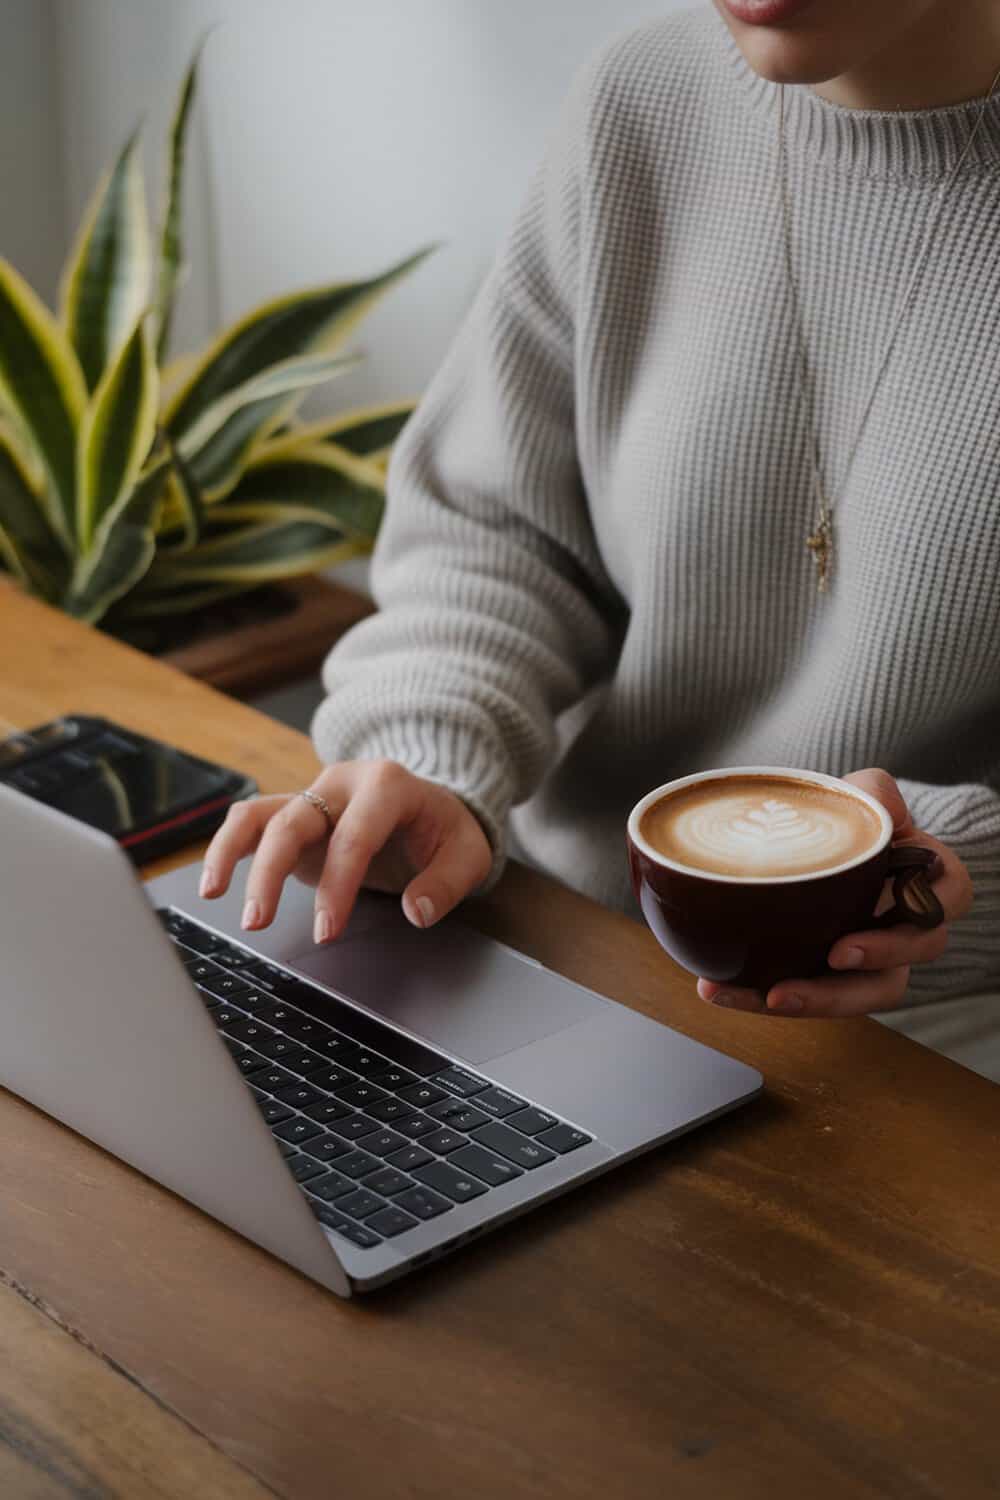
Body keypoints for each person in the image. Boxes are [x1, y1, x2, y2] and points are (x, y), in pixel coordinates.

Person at [201, 0, 1000, 1077]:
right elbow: (500, 535)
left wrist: (966, 880)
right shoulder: (647, 99)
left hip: (935, 1068)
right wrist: (434, 762)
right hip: (560, 960)